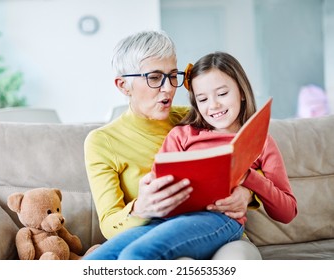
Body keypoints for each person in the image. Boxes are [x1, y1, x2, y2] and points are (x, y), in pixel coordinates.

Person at [83, 30, 262, 260]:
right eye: (155, 78)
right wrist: (141, 209)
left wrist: (246, 194)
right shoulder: (102, 142)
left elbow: (251, 156)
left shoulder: (197, 117)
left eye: (173, 75)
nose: (168, 88)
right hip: (154, 233)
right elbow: (109, 224)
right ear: (123, 86)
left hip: (219, 233)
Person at [156, 51, 298, 258]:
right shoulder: (181, 135)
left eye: (222, 94)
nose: (213, 105)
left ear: (241, 92)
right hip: (181, 226)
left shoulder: (261, 142)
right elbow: (160, 191)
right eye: (202, 99)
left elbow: (287, 213)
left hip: (227, 231)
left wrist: (249, 178)